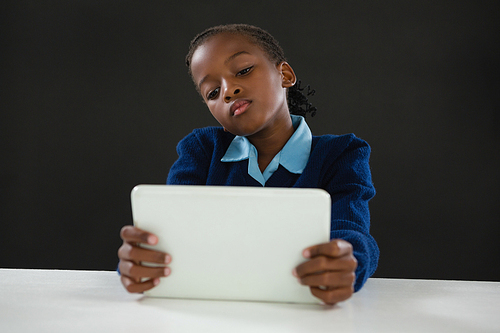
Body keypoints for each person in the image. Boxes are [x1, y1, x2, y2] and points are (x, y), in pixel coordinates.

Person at [118, 24, 379, 305]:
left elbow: (350, 229)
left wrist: (348, 260)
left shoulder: (341, 154)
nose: (229, 91)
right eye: (213, 92)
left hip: (304, 312)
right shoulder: (202, 150)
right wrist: (139, 260)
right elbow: (170, 236)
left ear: (285, 75)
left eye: (242, 71)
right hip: (213, 309)